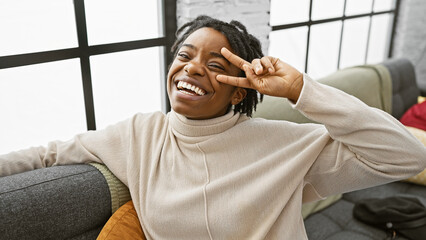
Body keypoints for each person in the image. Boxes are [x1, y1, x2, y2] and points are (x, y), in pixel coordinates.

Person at [1, 15, 425, 239]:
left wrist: (299, 88)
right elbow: (47, 155)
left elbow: (406, 155)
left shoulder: (286, 145)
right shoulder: (139, 134)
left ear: (239, 92)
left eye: (215, 65)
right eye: (185, 56)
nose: (192, 69)